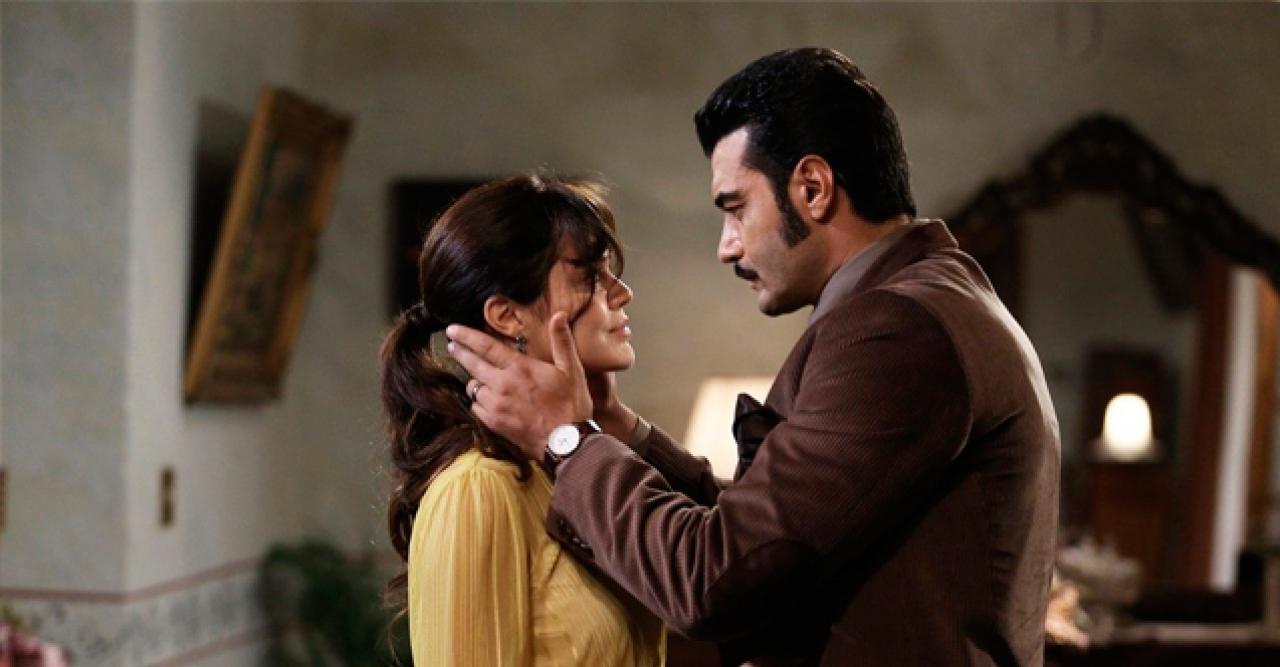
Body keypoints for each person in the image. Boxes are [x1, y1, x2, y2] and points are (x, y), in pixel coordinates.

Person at [447, 48, 1060, 666]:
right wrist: (617, 428)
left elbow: (718, 577)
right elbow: (772, 536)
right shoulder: (929, 299)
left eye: (736, 208)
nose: (727, 246)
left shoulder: (895, 329)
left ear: (813, 188)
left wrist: (566, 439)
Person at [380, 174, 665, 665]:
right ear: (508, 316)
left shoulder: (571, 465)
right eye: (590, 275)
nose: (622, 293)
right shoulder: (478, 489)